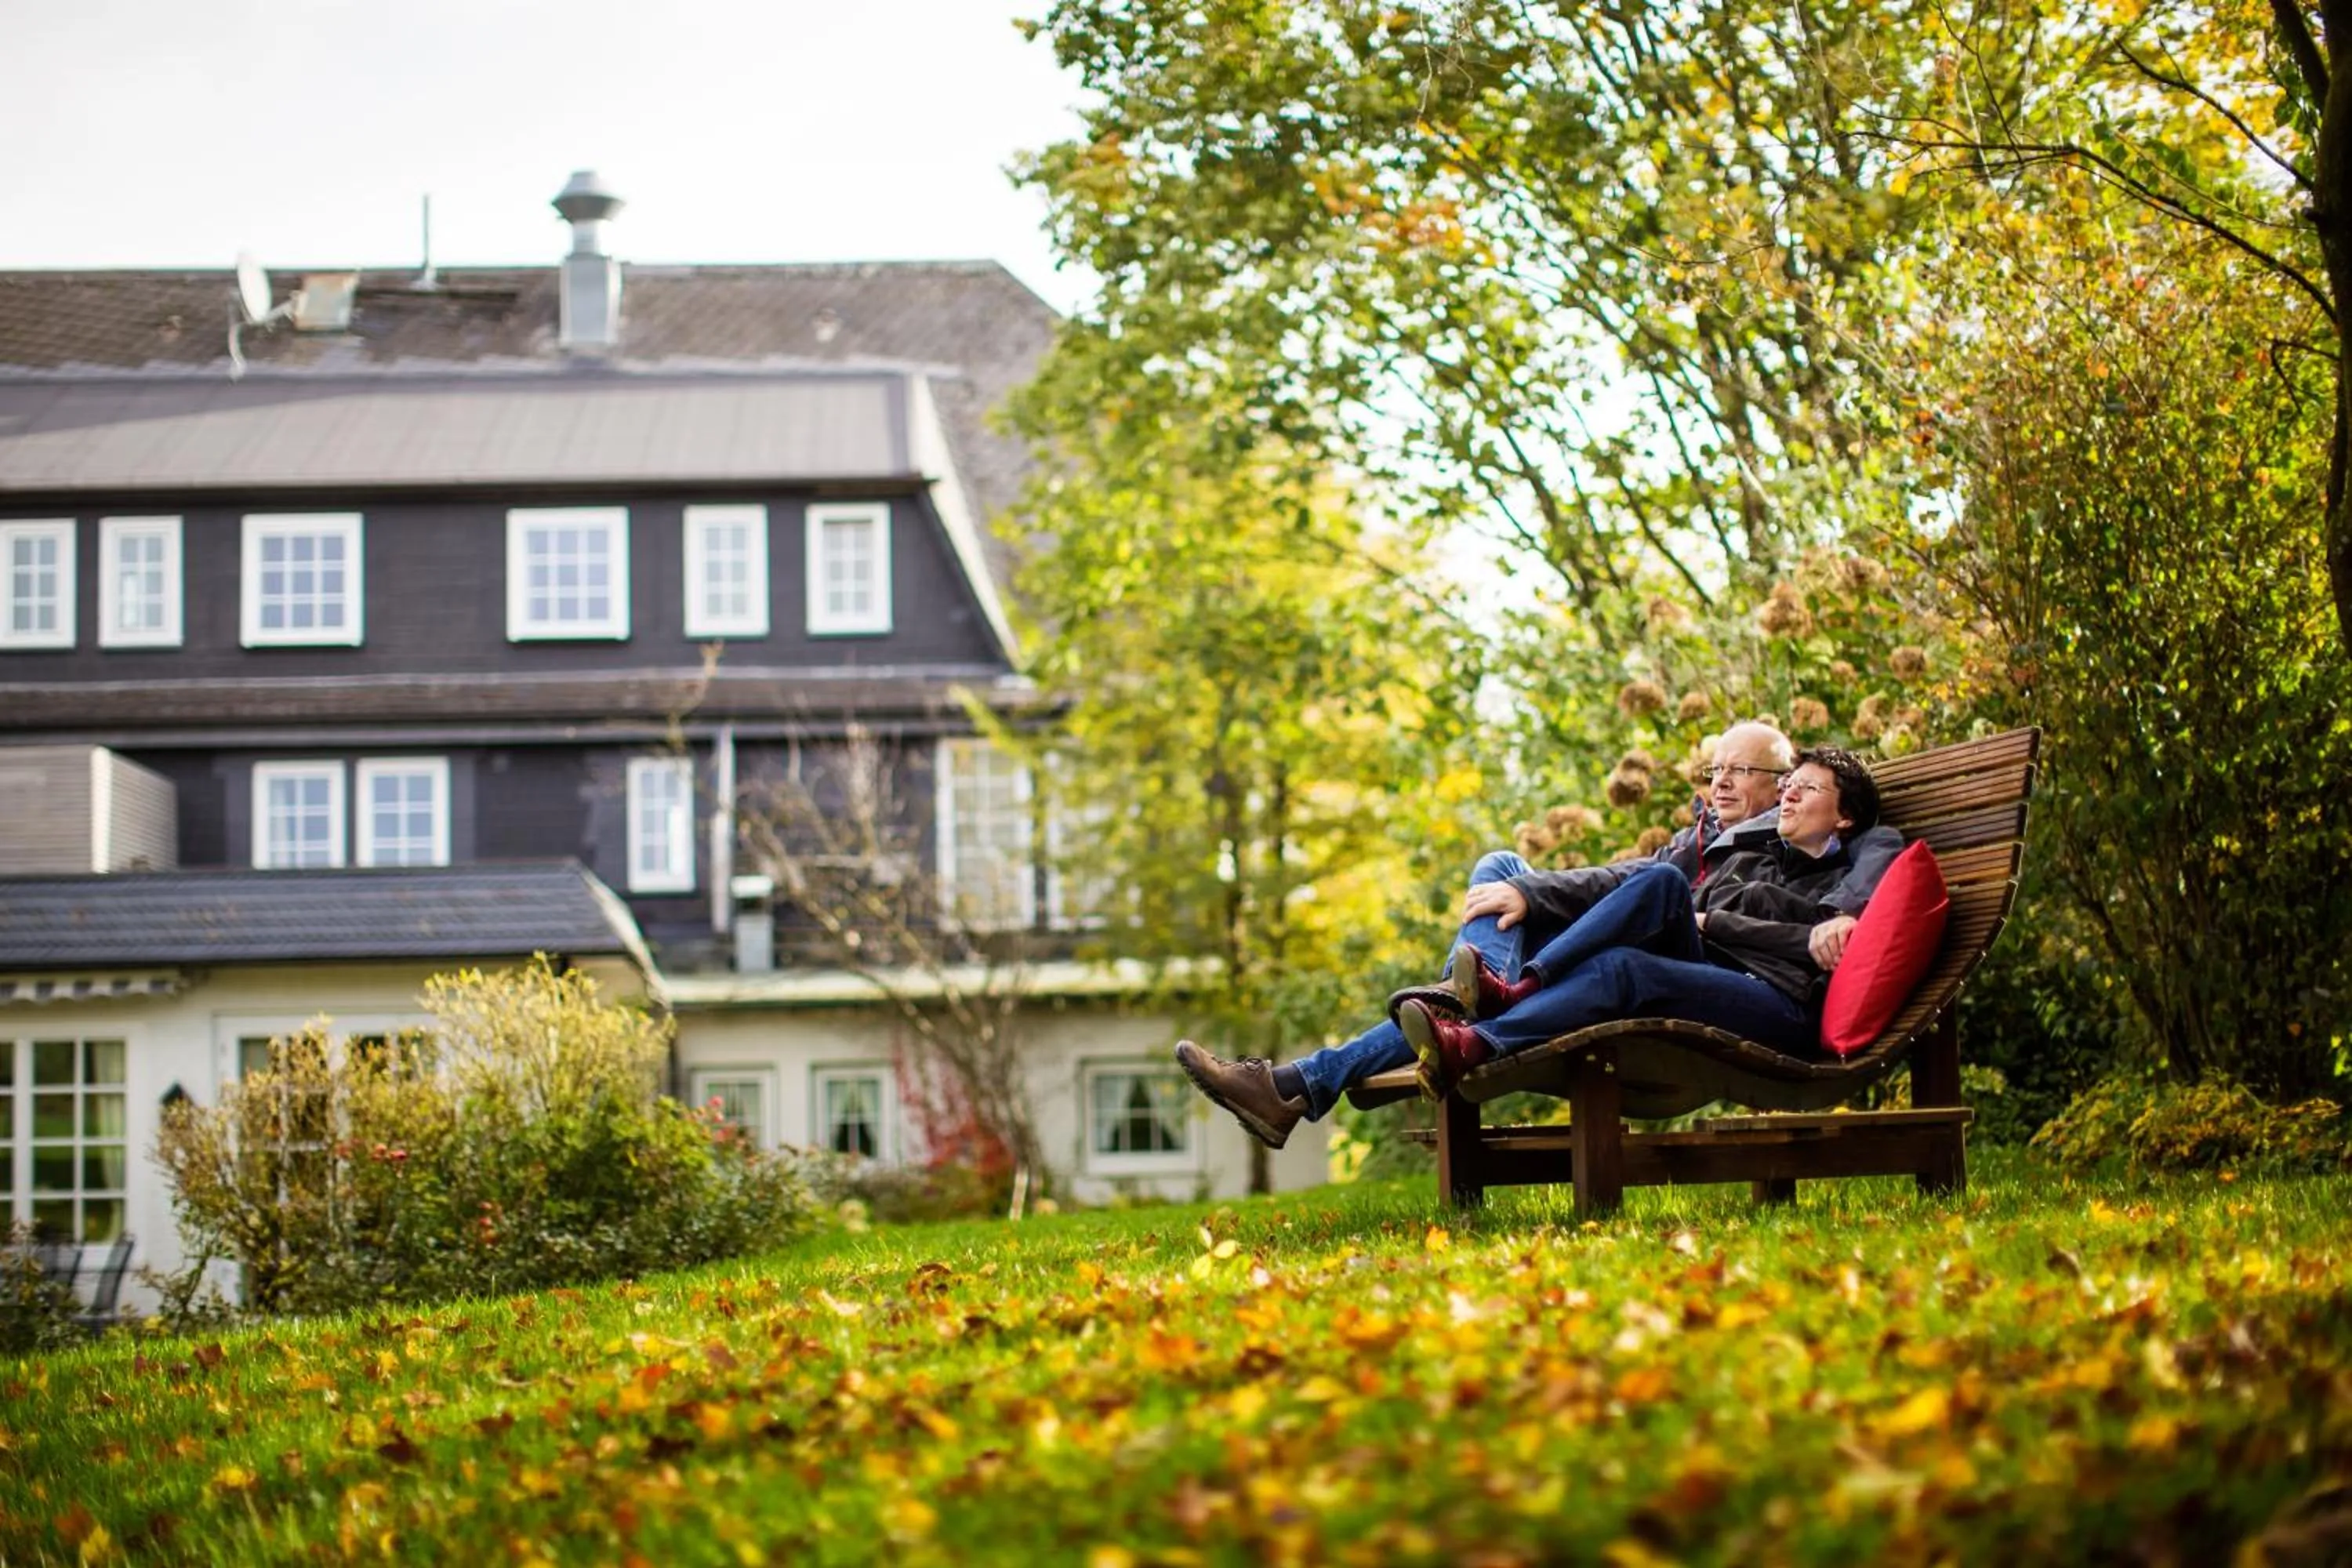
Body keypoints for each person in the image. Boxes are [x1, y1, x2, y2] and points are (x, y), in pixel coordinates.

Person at [1175, 724, 1895, 1149]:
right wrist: (1530, 891)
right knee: (1504, 869)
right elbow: (1620, 879)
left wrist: (1724, 919)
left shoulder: (1838, 849)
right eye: (1719, 769)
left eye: (1751, 773)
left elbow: (1832, 919)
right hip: (1690, 958)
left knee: (1647, 915)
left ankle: (1496, 1002)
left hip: (1744, 987)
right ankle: (1309, 1080)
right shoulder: (1724, 842)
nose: (1724, 783)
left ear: (1830, 808)